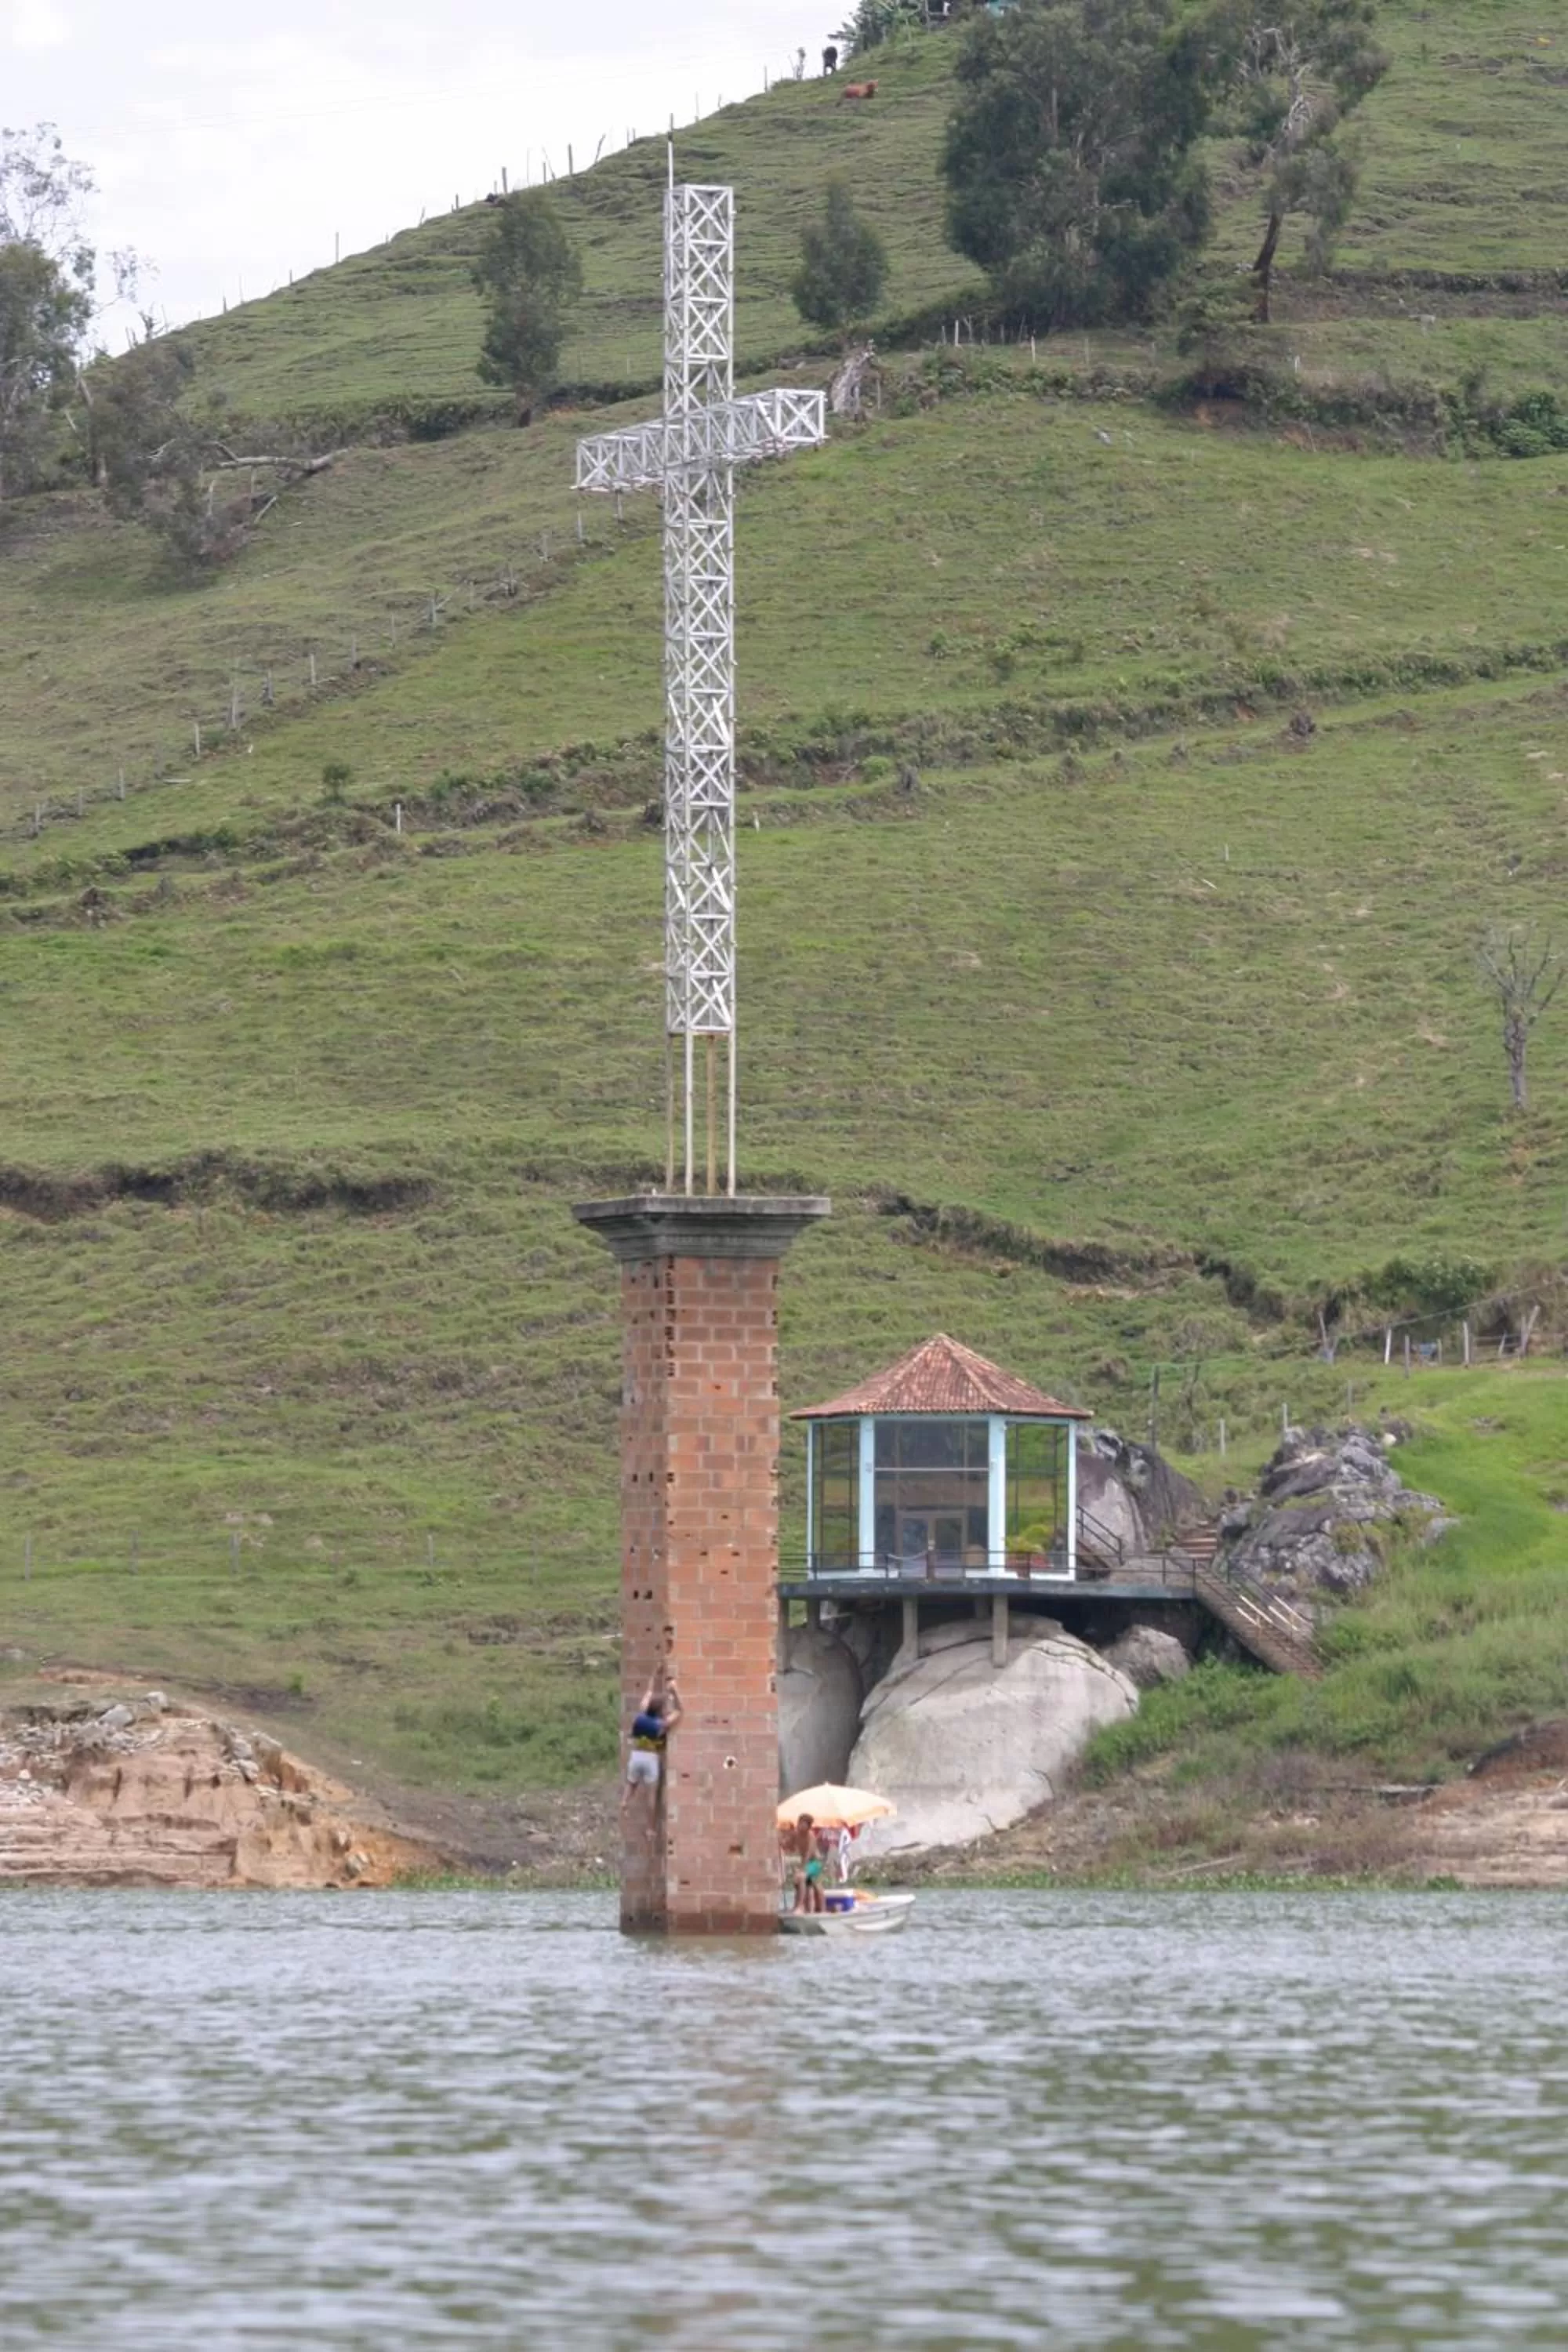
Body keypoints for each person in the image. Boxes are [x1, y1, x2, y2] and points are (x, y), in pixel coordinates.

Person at [622, 1674, 681, 1814]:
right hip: (650, 1758)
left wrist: (655, 1674)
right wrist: (674, 1691)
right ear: (660, 1711)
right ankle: (651, 1825)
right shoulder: (661, 1724)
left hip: (636, 1755)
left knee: (631, 1784)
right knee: (652, 1795)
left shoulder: (641, 1715)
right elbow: (679, 1710)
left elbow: (649, 1692)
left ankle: (625, 1801)